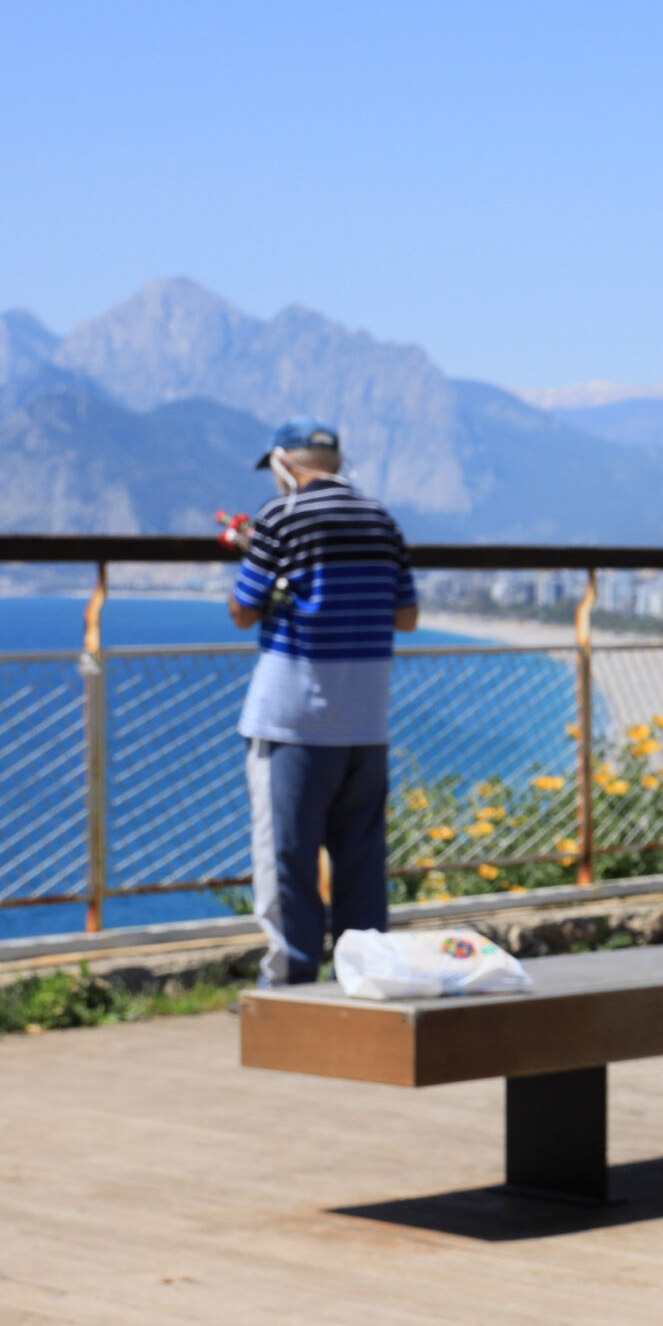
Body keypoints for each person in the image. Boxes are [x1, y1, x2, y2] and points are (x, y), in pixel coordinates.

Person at [227, 418, 418, 988]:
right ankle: (365, 976)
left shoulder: (280, 516)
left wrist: (254, 553)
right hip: (366, 717)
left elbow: (243, 610)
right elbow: (406, 617)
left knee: (286, 855)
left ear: (285, 461)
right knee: (360, 860)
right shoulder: (381, 518)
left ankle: (290, 976)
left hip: (293, 715)